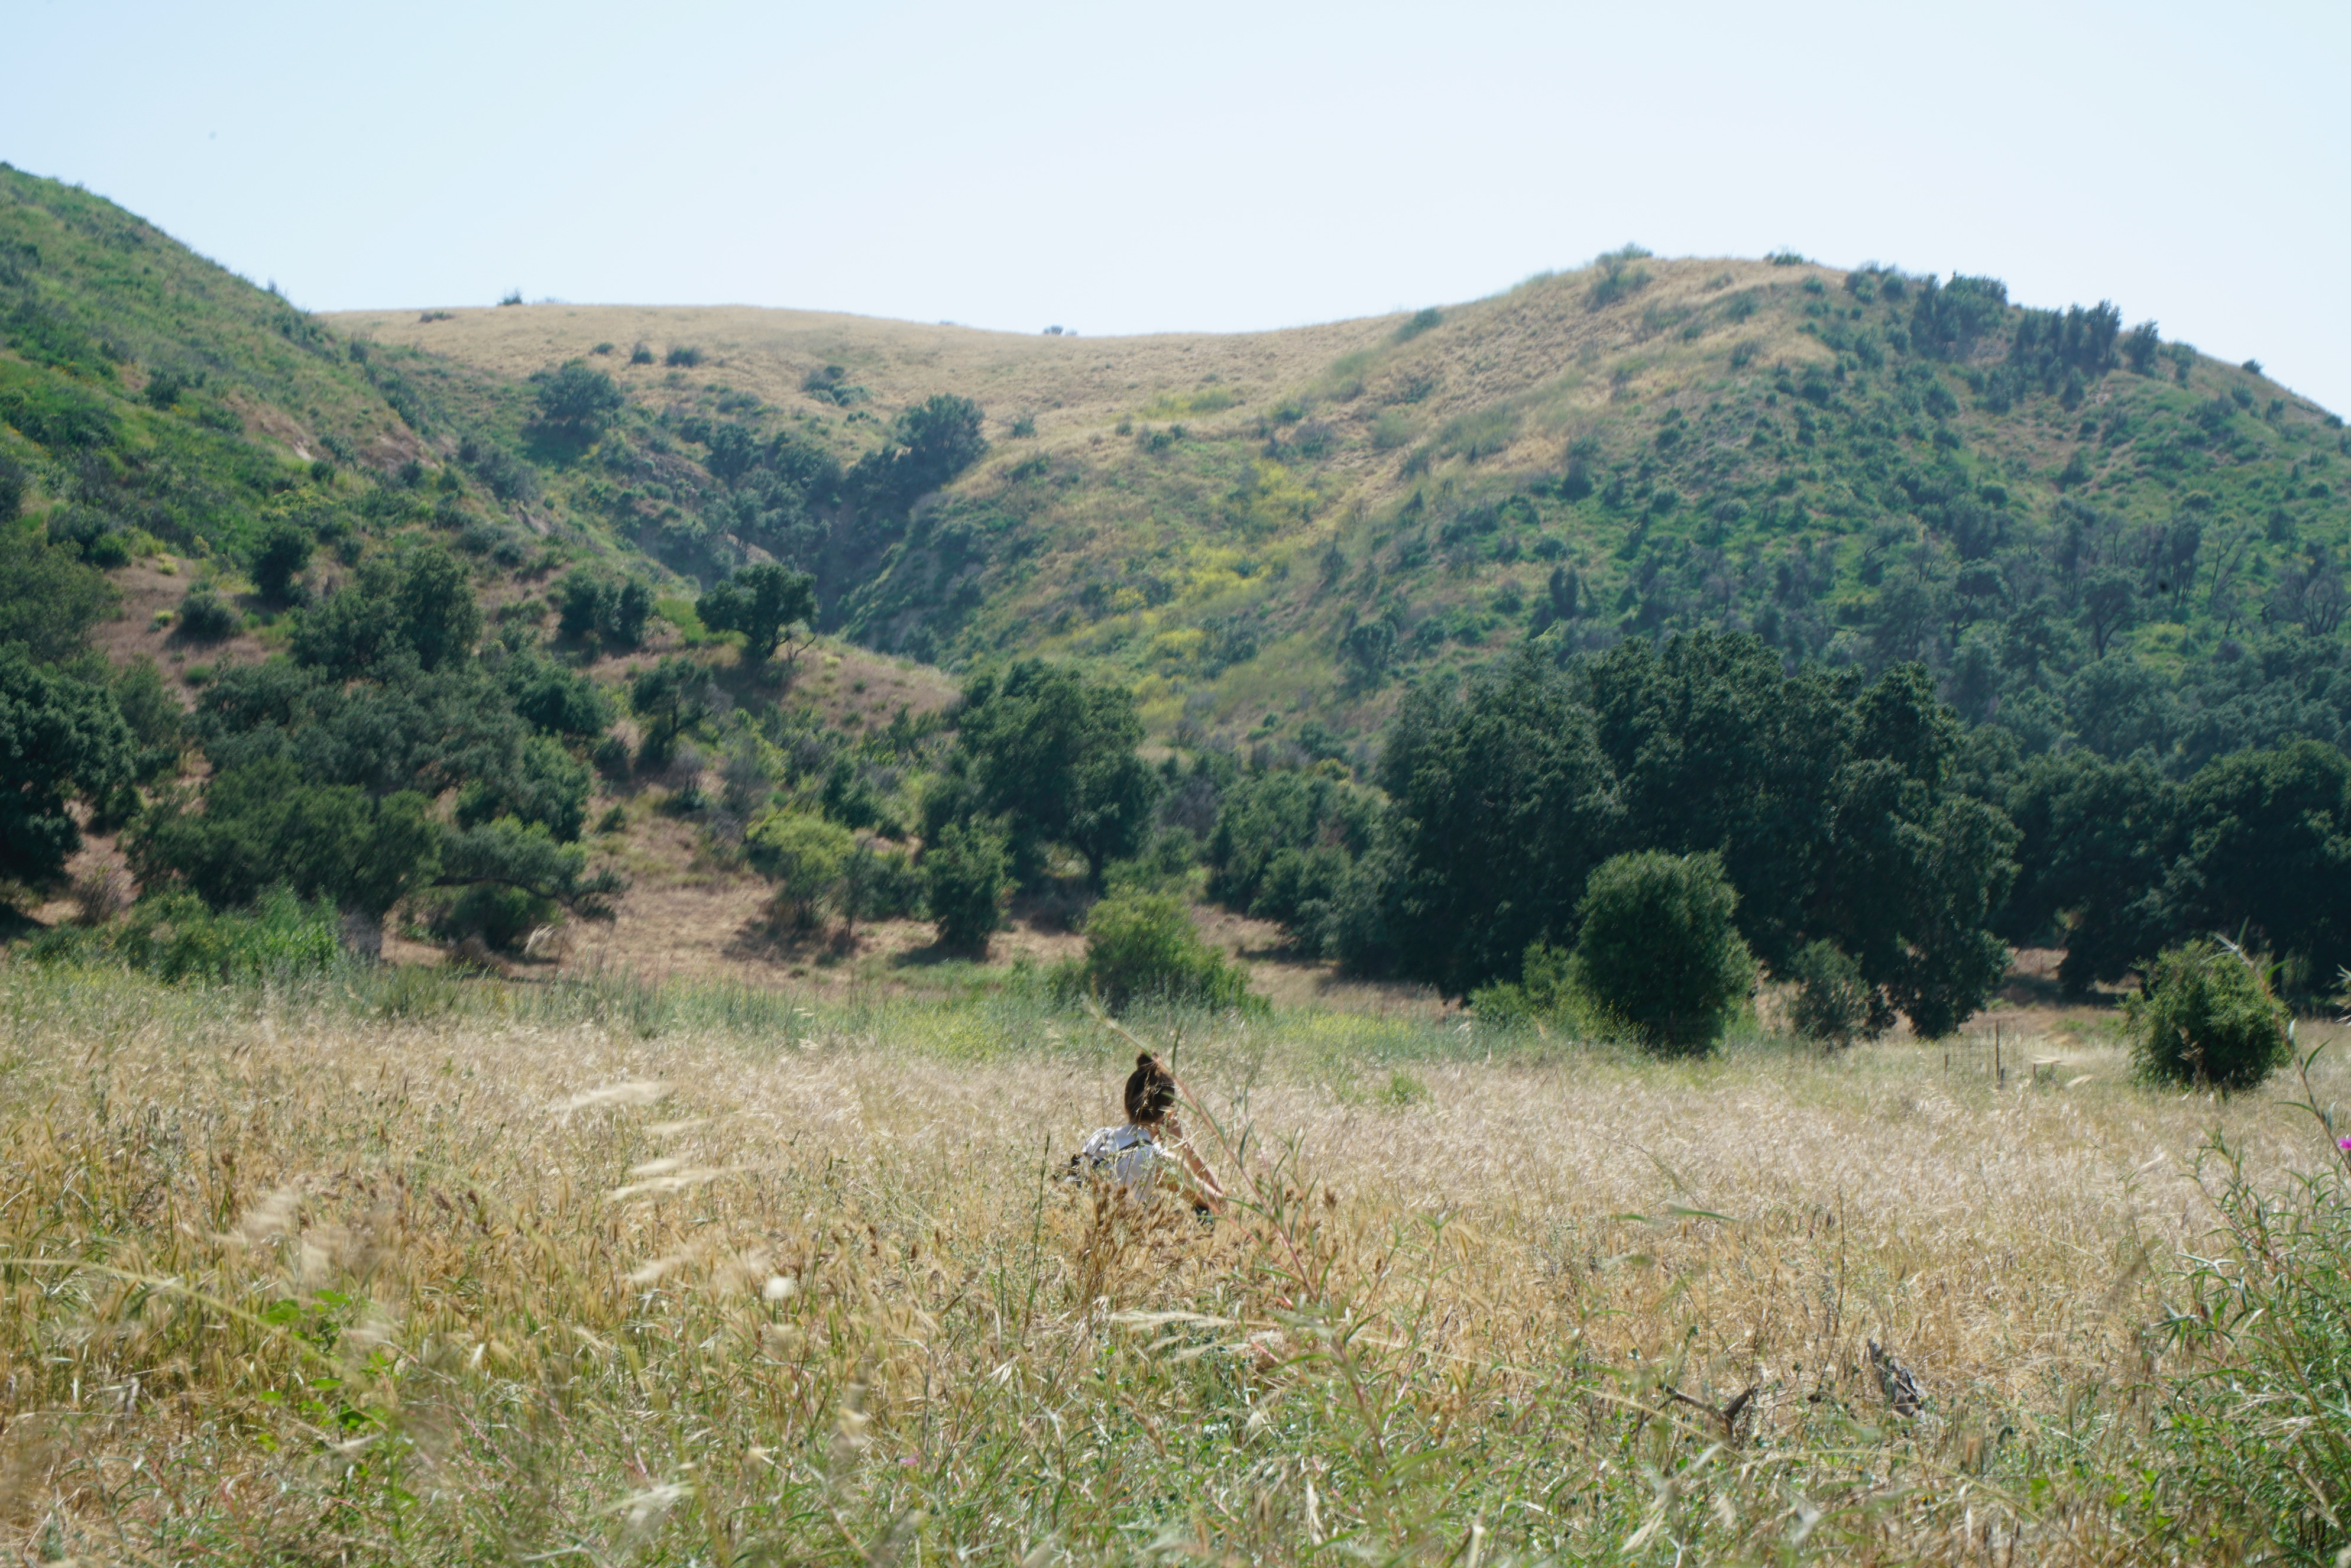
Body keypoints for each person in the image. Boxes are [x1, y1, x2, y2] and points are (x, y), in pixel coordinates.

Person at [1072, 1052, 1226, 1214]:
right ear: (1169, 1113)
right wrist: (1183, 1141)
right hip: (1126, 1236)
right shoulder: (1158, 1160)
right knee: (1203, 1210)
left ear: (1126, 1106)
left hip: (1086, 1228)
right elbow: (1221, 1202)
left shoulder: (1100, 1137)